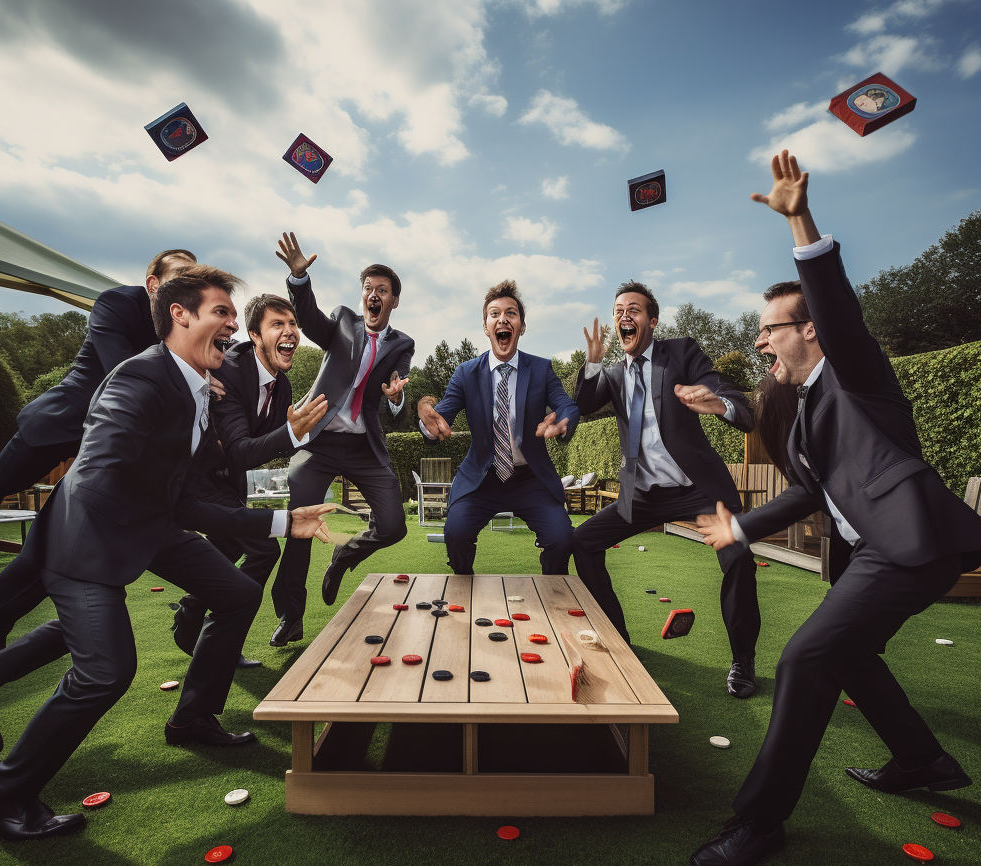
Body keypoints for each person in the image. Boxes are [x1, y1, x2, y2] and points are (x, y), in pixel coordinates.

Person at [689, 150, 981, 866]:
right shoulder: (801, 417)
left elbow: (838, 306)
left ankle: (760, 821)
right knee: (849, 654)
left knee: (806, 657)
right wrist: (741, 526)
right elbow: (806, 493)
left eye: (772, 328)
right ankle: (921, 758)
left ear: (812, 328)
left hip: (908, 546)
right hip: (876, 556)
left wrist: (800, 220)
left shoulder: (856, 374)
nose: (760, 339)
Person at [0, 266, 334, 841]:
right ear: (179, 314)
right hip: (87, 538)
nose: (233, 326)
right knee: (105, 672)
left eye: (234, 317)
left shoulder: (195, 389)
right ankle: (0, 796)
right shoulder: (138, 379)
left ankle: (191, 716)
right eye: (222, 313)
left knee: (236, 592)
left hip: (151, 526)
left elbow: (186, 501)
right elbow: (102, 468)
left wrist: (286, 521)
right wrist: (140, 519)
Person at [0, 249, 196, 664]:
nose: (187, 283)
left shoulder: (186, 324)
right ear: (152, 283)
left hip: (119, 457)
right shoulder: (117, 303)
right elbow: (121, 373)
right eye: (179, 274)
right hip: (62, 427)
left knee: (58, 549)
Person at [571, 284, 760, 691]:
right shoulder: (614, 373)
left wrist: (718, 402)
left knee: (738, 558)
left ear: (652, 320)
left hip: (698, 489)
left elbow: (730, 397)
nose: (625, 316)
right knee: (583, 542)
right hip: (643, 494)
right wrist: (591, 363)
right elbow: (584, 404)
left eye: (634, 310)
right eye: (619, 310)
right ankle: (619, 638)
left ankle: (743, 661)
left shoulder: (681, 353)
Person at [268, 233, 413, 646]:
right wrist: (299, 279)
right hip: (320, 441)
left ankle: (344, 556)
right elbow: (310, 319)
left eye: (381, 290)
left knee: (393, 525)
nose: (373, 295)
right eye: (368, 288)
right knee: (299, 522)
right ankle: (290, 617)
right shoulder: (343, 322)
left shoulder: (404, 343)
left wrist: (398, 396)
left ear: (393, 301)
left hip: (364, 445)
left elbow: (396, 386)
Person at [170, 293, 328, 665]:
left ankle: (191, 611)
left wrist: (311, 436)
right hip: (196, 481)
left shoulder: (283, 387)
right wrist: (291, 433)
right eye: (277, 324)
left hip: (228, 485)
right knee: (264, 548)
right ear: (254, 336)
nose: (289, 332)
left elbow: (271, 447)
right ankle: (219, 637)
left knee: (228, 551)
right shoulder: (227, 370)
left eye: (293, 325)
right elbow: (240, 449)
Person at [417, 281, 580, 576]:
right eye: (494, 314)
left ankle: (554, 585)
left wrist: (563, 420)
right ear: (485, 326)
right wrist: (427, 419)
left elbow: (565, 404)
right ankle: (463, 583)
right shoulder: (466, 373)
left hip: (530, 478)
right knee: (456, 534)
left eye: (511, 313)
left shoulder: (541, 369)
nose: (503, 319)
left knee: (561, 538)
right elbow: (440, 416)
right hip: (482, 478)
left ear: (521, 325)